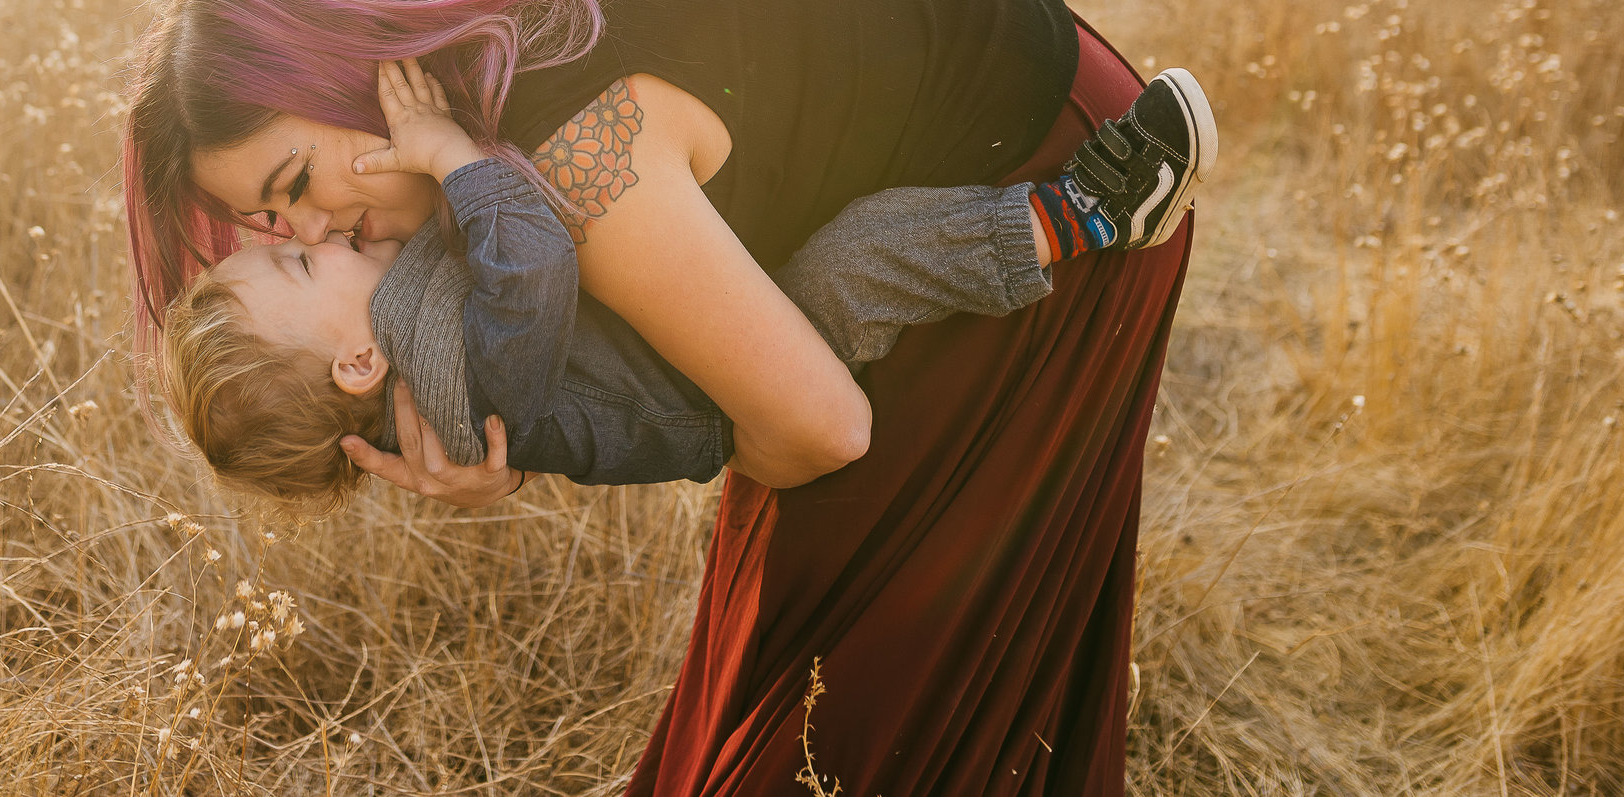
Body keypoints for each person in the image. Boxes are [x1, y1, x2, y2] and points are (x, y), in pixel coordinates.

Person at [124, 0, 1202, 794]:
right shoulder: (486, 8)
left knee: (856, 702)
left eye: (302, 177)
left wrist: (571, 413)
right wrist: (501, 416)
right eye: (273, 221)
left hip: (1049, 170)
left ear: (348, 65)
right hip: (1030, 102)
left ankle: (1082, 216)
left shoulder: (575, 163)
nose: (316, 226)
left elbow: (820, 428)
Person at [156, 55, 1213, 500]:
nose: (318, 233)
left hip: (677, 362)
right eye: (295, 255)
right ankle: (1090, 209)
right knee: (863, 256)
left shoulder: (417, 346)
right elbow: (529, 262)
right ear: (355, 358)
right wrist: (449, 153)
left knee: (856, 242)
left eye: (292, 223)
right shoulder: (452, 373)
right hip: (706, 397)